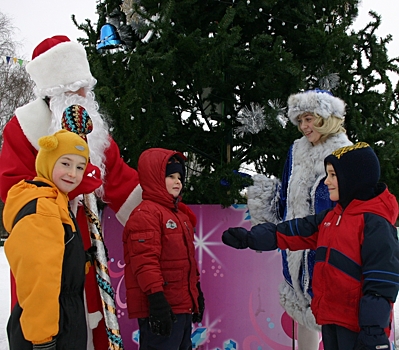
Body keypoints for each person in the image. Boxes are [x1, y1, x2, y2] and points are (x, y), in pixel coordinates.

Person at [0, 35, 142, 350]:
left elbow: (118, 179)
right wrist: (66, 188)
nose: (81, 95)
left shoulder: (94, 130)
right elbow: (13, 187)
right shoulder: (24, 128)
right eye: (72, 89)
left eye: (84, 88)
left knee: (87, 323)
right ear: (54, 91)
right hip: (43, 239)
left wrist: (154, 210)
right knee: (49, 317)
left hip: (84, 243)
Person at [223, 142, 399, 350]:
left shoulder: (375, 223)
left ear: (353, 180)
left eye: (333, 175)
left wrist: (373, 331)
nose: (327, 182)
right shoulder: (332, 218)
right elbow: (293, 231)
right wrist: (251, 238)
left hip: (358, 328)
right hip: (330, 319)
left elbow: (381, 282)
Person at [246, 89, 352, 348]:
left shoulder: (346, 152)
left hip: (331, 251)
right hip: (296, 249)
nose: (304, 127)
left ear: (326, 117)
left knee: (335, 324)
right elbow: (285, 194)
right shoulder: (296, 150)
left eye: (309, 119)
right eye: (300, 121)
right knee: (303, 316)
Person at [3, 130, 90, 350]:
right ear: (48, 161)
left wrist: (84, 259)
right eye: (66, 163)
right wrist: (43, 340)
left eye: (80, 167)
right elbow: (39, 279)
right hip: (49, 331)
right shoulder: (44, 208)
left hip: (61, 319)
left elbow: (58, 261)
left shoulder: (56, 202)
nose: (73, 173)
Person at [122, 148, 205, 350]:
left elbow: (187, 263)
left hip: (181, 306)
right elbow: (145, 262)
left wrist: (196, 293)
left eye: (180, 177)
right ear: (155, 178)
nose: (178, 181)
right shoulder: (146, 215)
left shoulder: (180, 216)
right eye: (170, 176)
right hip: (161, 307)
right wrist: (157, 300)